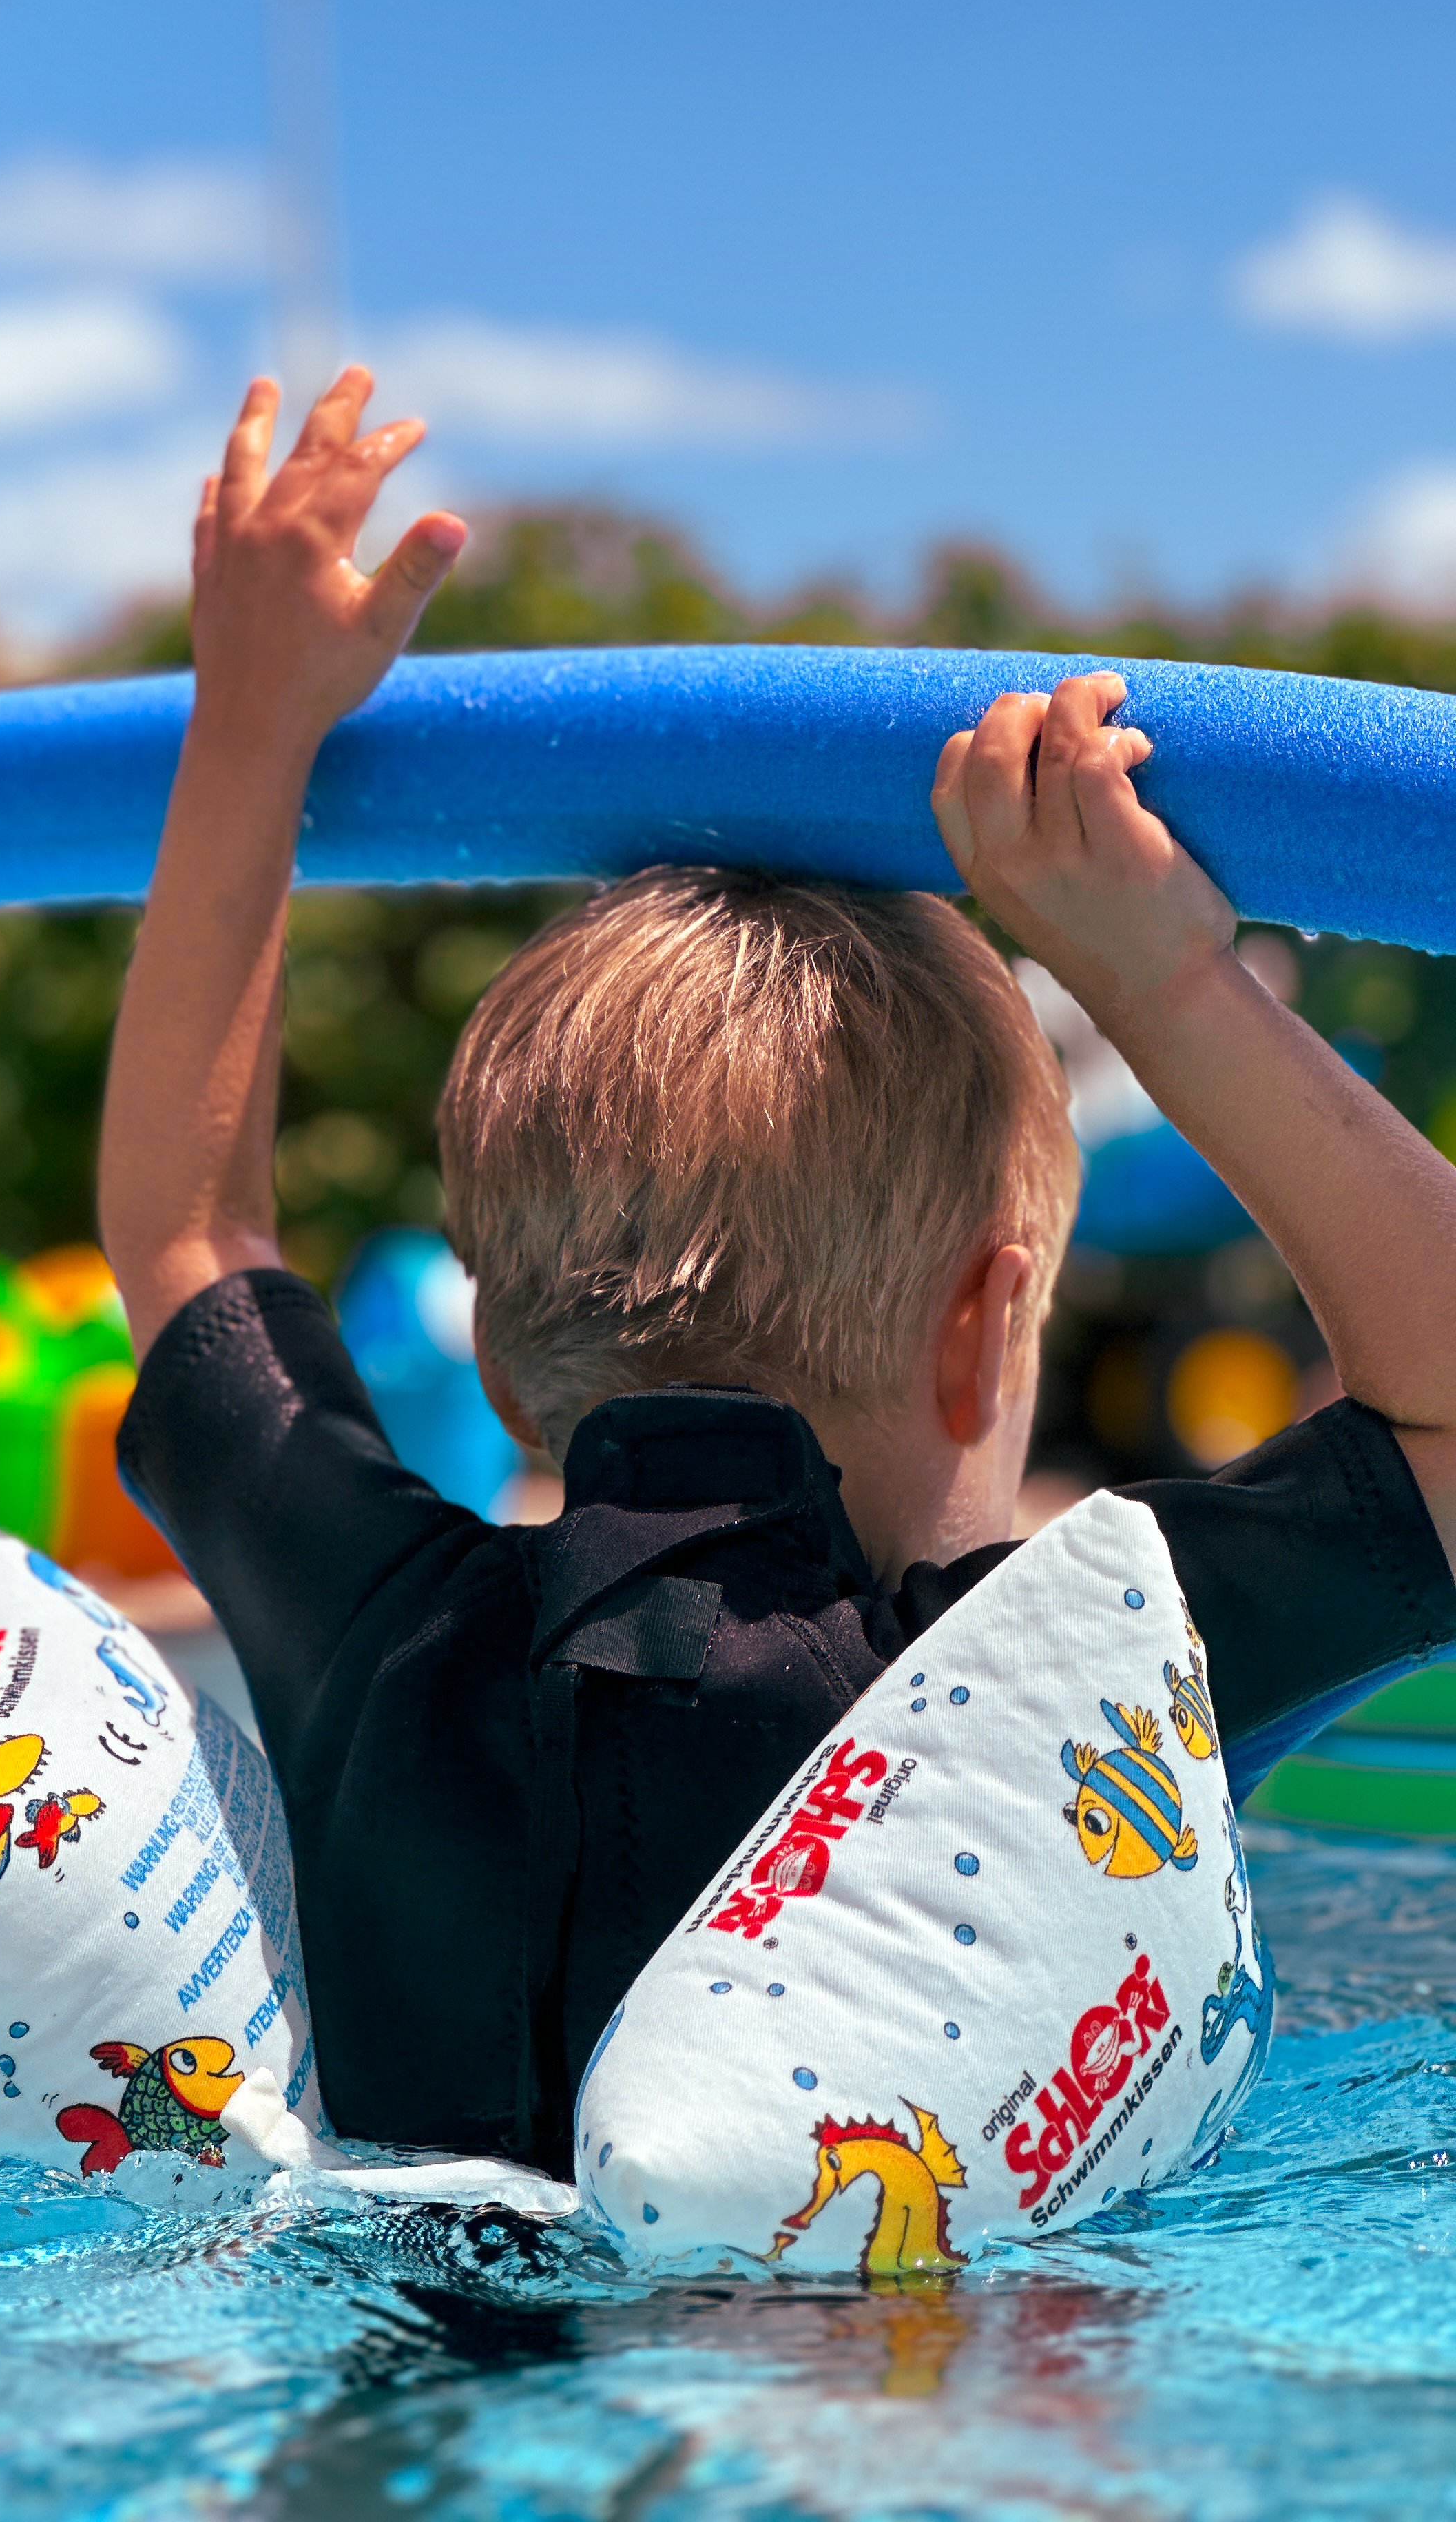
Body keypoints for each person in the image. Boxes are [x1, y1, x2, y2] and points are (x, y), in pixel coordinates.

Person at [101, 368, 1456, 2178]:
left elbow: (190, 1232)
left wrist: (249, 726)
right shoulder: (1056, 1693)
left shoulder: (381, 1636)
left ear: (494, 1358)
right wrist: (1171, 980)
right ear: (988, 1329)